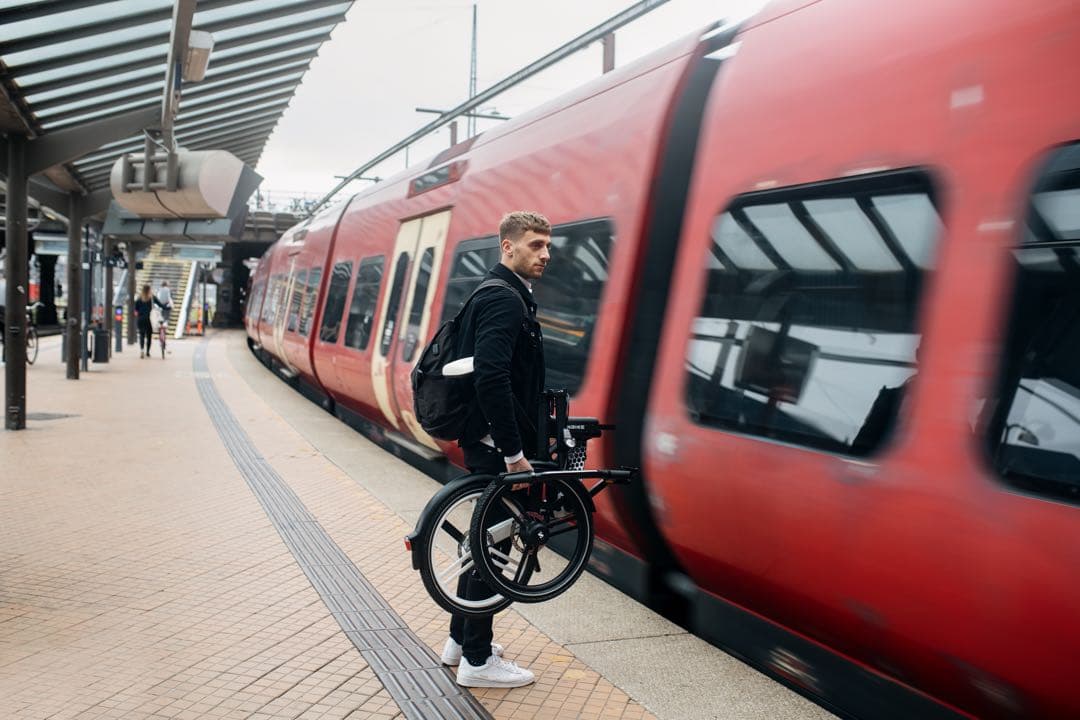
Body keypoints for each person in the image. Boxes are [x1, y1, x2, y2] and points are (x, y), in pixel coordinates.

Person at [440, 211, 551, 689]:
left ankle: (460, 641)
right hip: (495, 444)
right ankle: (478, 661)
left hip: (483, 439)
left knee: (483, 541)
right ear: (508, 247)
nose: (545, 254)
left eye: (548, 245)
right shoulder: (505, 299)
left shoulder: (494, 291)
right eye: (535, 245)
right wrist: (513, 452)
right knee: (494, 548)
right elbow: (491, 376)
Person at [133, 285, 160, 358]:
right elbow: (160, 305)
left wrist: (139, 314)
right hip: (149, 319)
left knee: (141, 335)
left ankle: (142, 350)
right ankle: (147, 352)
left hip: (140, 319)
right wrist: (167, 307)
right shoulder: (152, 298)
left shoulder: (139, 299)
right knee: (149, 336)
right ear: (149, 290)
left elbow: (135, 310)